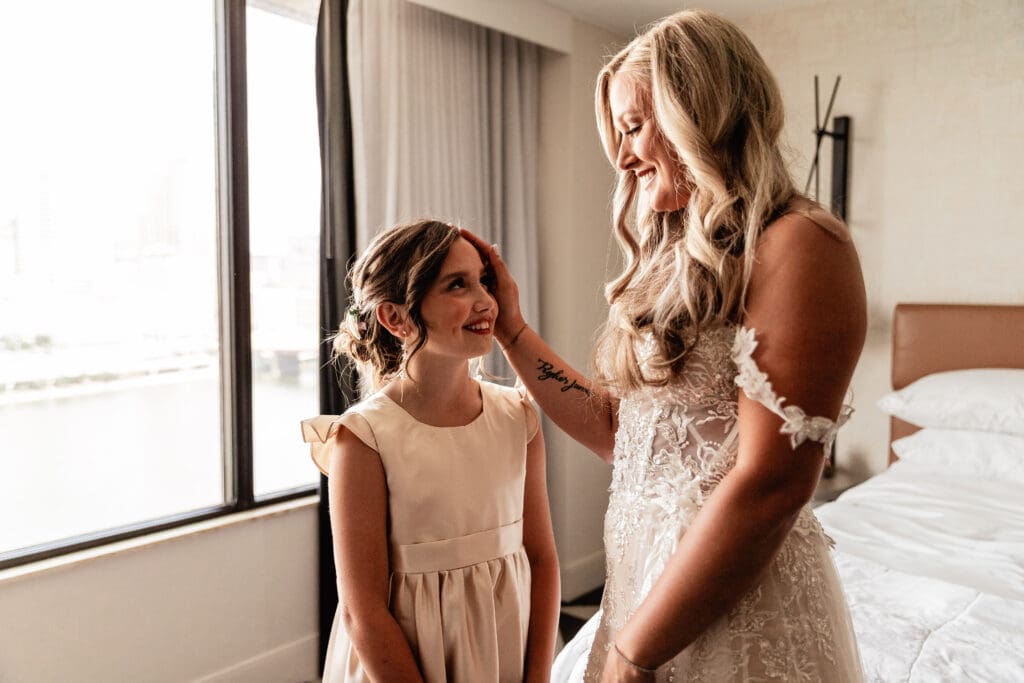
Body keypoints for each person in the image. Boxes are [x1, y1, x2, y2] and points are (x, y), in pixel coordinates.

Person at [462, 9, 866, 682]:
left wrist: (633, 651)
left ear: (698, 110)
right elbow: (627, 437)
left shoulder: (801, 244)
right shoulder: (681, 259)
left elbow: (773, 483)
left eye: (631, 126)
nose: (621, 157)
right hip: (645, 590)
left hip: (737, 607)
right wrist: (512, 329)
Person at [300, 220, 560, 682]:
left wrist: (538, 677)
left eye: (485, 281)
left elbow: (541, 559)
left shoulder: (518, 417)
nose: (485, 301)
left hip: (504, 653)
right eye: (457, 285)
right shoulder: (364, 438)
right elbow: (364, 613)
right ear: (395, 317)